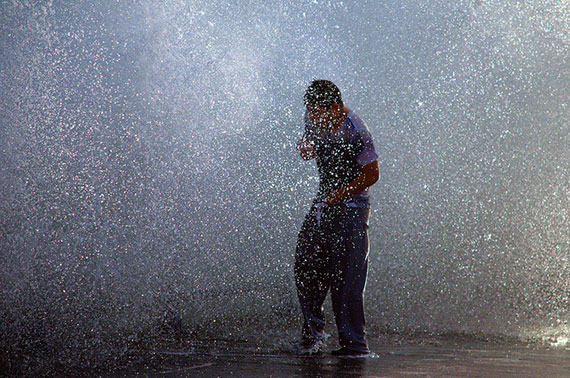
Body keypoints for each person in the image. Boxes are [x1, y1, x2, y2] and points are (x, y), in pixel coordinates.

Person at [294, 80, 379, 357]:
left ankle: (354, 345)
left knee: (347, 280)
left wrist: (339, 195)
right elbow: (311, 143)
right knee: (306, 265)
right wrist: (307, 147)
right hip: (324, 204)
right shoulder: (314, 117)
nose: (313, 118)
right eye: (310, 112)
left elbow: (372, 176)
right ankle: (313, 339)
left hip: (352, 209)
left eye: (317, 112)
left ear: (334, 106)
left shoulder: (357, 130)